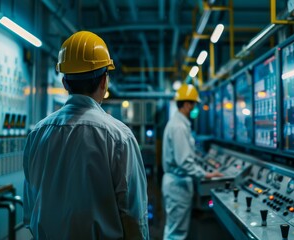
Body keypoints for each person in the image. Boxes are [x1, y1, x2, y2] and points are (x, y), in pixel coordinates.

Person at [23, 31, 149, 240]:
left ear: (65, 83)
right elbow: (134, 215)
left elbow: (30, 208)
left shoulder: (37, 134)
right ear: (104, 81)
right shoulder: (119, 137)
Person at [161, 84, 223, 240]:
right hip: (178, 185)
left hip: (177, 183)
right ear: (187, 104)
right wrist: (206, 175)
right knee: (176, 234)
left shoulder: (179, 124)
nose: (196, 108)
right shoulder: (179, 127)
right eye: (194, 104)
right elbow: (184, 162)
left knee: (173, 229)